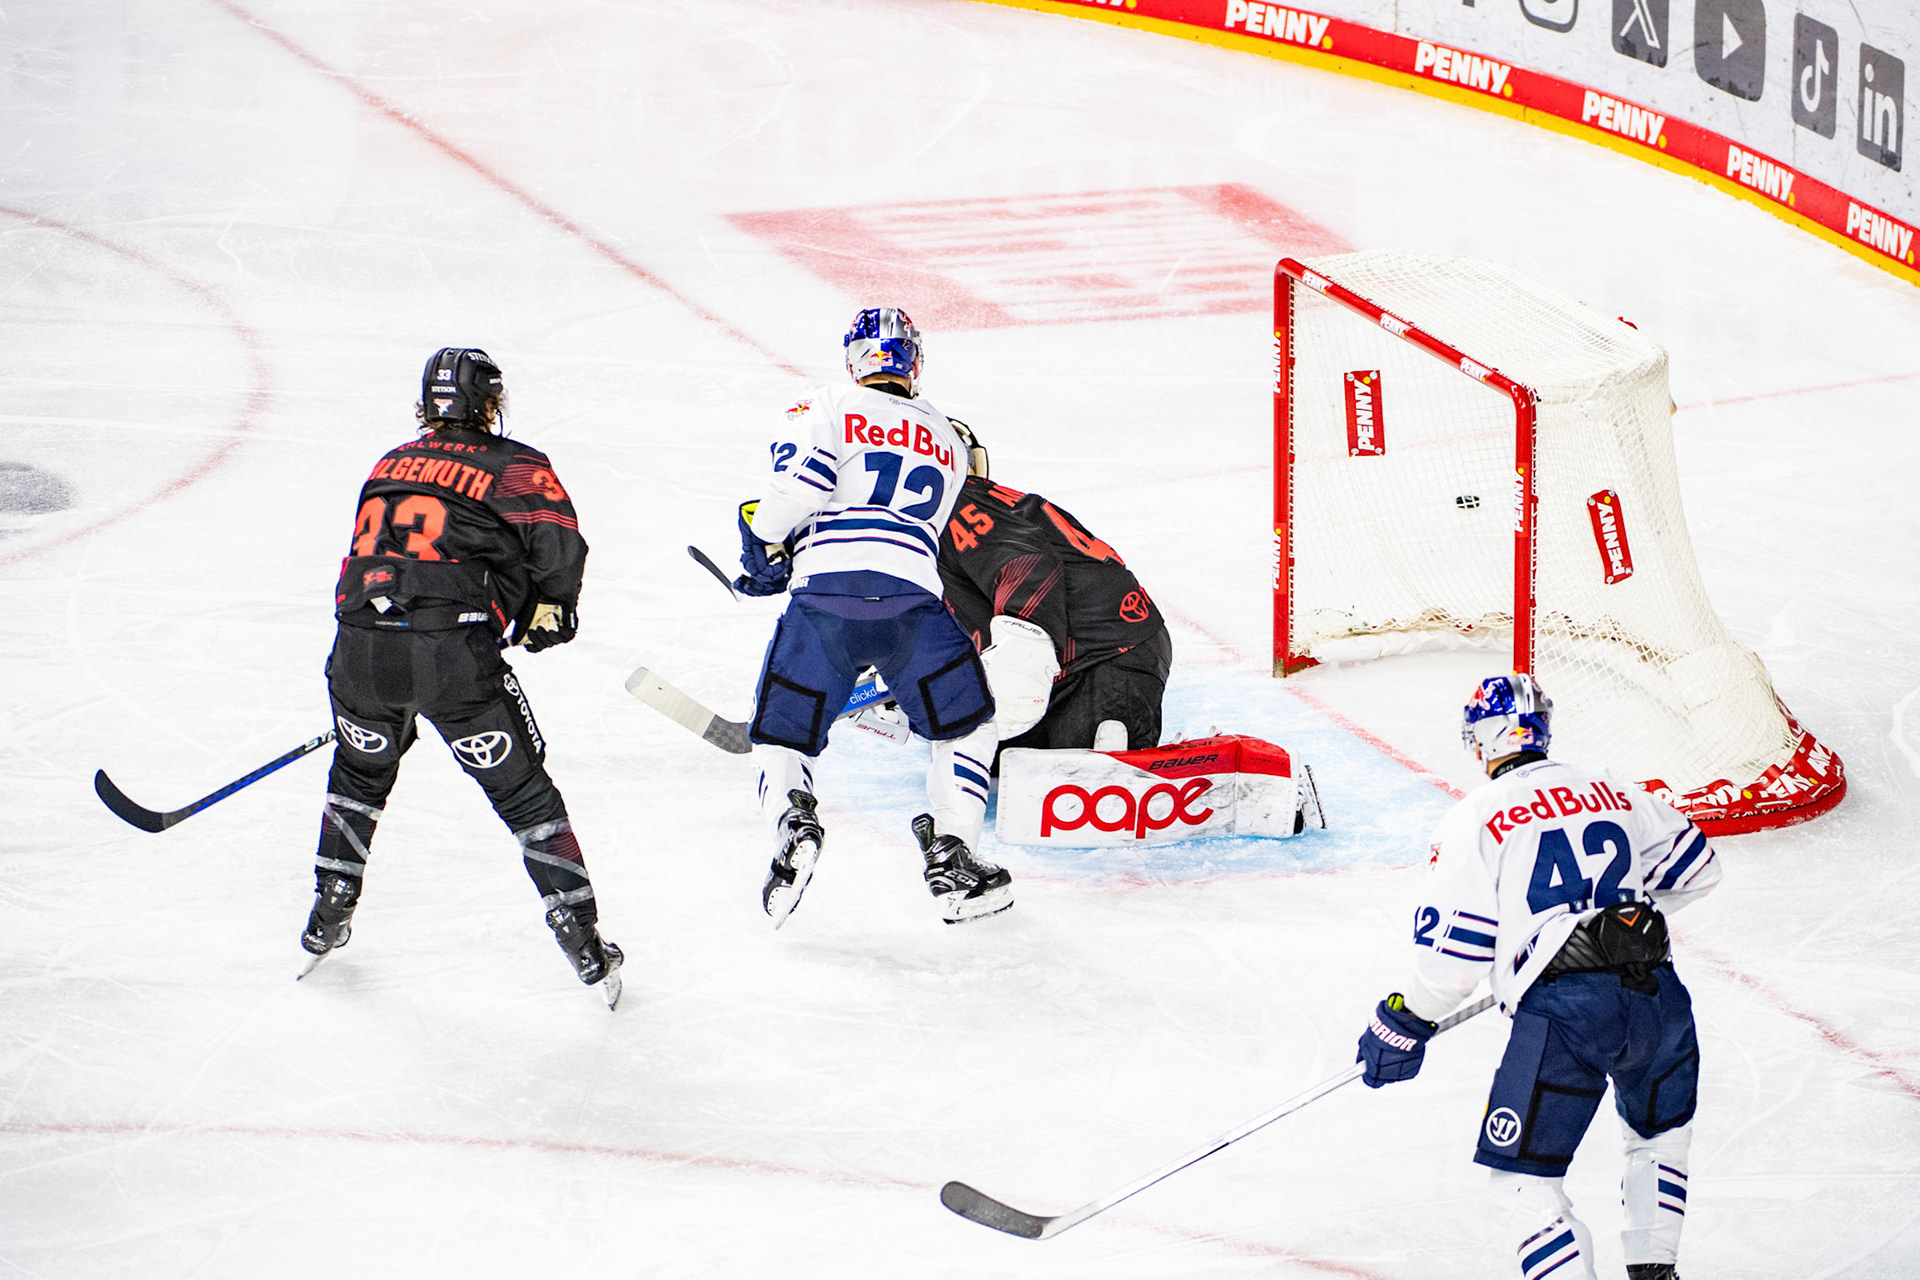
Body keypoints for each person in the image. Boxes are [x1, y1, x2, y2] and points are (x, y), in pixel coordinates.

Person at [1354, 674, 1718, 1280]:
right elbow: (1698, 871)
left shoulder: (1477, 817)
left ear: (1481, 742)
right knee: (1658, 1138)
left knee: (1523, 1181)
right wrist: (1613, 919)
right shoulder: (1614, 790)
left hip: (1567, 1013)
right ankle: (1657, 1273)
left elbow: (1453, 964)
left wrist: (1403, 1019)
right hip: (1657, 993)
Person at [299, 348, 622, 1007]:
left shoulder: (388, 462)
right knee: (525, 796)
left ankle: (330, 903)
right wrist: (545, 615)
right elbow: (558, 558)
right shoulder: (519, 466)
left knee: (359, 776)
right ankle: (580, 935)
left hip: (358, 649)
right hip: (452, 655)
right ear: (490, 403)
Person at [734, 307, 1009, 927]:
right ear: (913, 362)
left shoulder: (824, 403)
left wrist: (764, 538)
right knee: (967, 730)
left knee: (780, 736)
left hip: (825, 598)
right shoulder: (949, 434)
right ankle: (952, 855)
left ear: (855, 359)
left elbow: (803, 486)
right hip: (914, 602)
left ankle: (793, 823)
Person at [935, 422, 1171, 757]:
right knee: (985, 759)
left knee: (1077, 783)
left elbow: (1026, 566)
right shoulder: (926, 522)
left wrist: (1017, 667)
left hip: (1103, 657)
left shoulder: (953, 504)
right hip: (1066, 667)